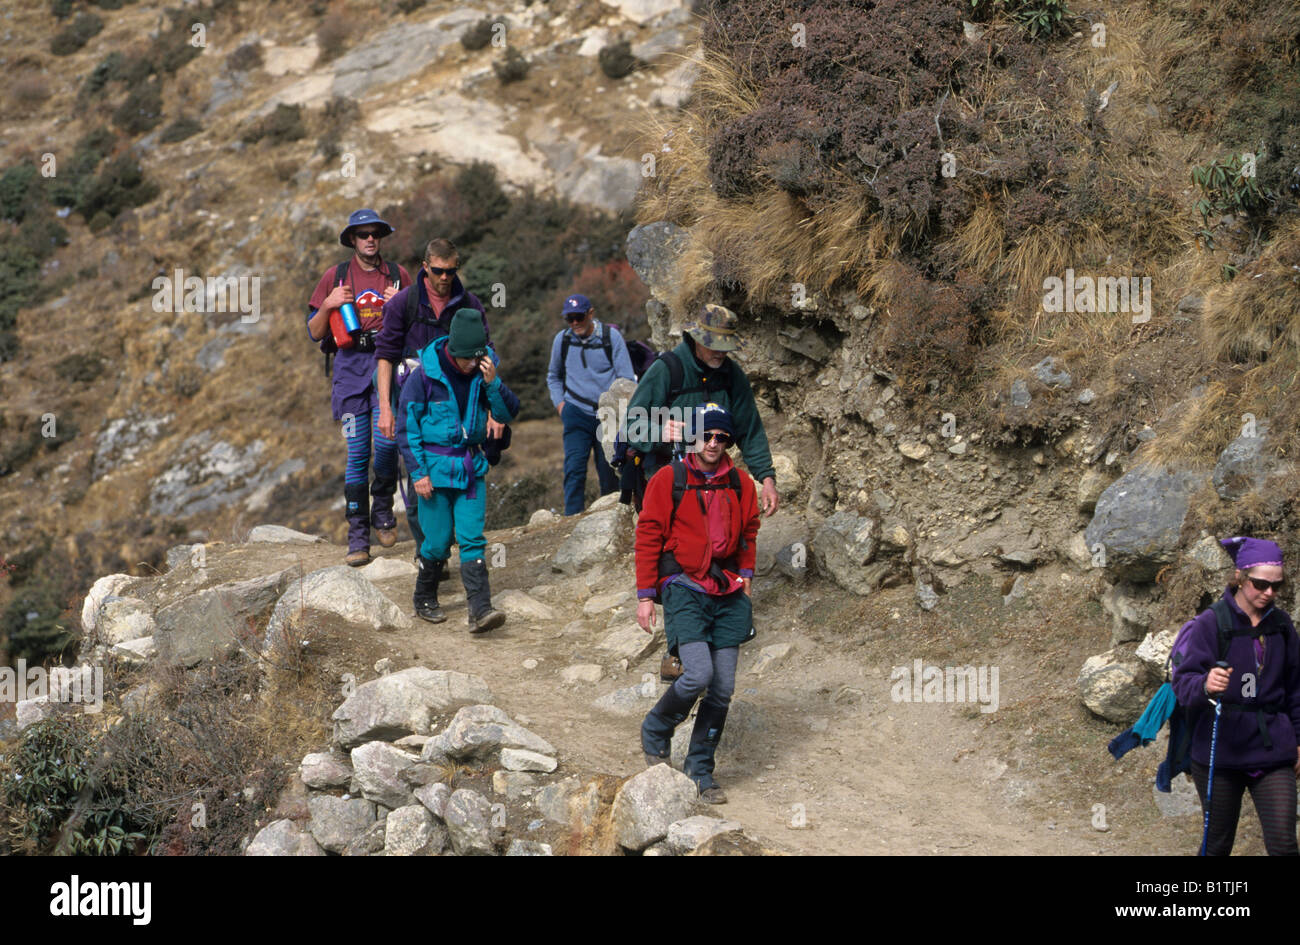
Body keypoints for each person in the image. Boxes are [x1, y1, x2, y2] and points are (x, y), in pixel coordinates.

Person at [635, 404, 760, 803]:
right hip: (684, 587)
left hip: (727, 590)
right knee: (698, 674)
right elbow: (648, 535)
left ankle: (700, 770)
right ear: (694, 438)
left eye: (721, 438)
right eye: (707, 436)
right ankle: (657, 727)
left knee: (723, 687)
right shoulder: (668, 479)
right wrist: (645, 595)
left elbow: (750, 532)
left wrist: (748, 576)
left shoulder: (740, 483)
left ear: (729, 442)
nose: (713, 443)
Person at [1170, 536, 1300, 855]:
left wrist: (1298, 739)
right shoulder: (1210, 623)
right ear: (1239, 577)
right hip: (1219, 753)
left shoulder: (1281, 625)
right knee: (1217, 845)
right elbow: (1182, 683)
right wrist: (1205, 684)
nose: (1269, 593)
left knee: (1284, 844)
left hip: (1273, 750)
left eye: (1276, 586)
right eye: (1260, 584)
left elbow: (1296, 687)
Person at [374, 238, 501, 563]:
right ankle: (428, 554)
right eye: (439, 271)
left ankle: (455, 548)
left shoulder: (469, 305)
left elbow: (487, 353)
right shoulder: (403, 303)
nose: (445, 277)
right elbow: (385, 357)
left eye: (451, 271)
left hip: (462, 406)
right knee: (420, 477)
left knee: (465, 475)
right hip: (414, 402)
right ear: (426, 267)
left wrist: (494, 409)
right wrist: (386, 408)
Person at [396, 309, 515, 632]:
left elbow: (507, 413)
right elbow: (407, 429)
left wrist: (493, 385)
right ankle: (424, 598)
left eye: (478, 359)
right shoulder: (423, 377)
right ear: (453, 351)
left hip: (470, 467)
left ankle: (480, 609)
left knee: (472, 538)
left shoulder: (483, 372)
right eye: (468, 360)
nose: (473, 365)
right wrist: (417, 473)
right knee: (435, 541)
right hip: (433, 472)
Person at [306, 209, 412, 566]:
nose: (370, 239)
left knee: (386, 446)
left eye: (375, 234)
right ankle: (358, 538)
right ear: (352, 239)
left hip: (390, 371)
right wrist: (329, 304)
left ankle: (383, 505)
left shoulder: (399, 275)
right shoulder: (334, 277)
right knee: (357, 455)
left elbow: (418, 328)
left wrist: (400, 306)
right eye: (363, 234)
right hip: (350, 374)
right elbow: (315, 332)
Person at [623, 303, 779, 517]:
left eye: (725, 346)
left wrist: (767, 479)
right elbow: (631, 425)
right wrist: (660, 432)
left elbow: (749, 430)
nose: (721, 353)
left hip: (713, 472)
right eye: (714, 345)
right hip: (665, 473)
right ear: (696, 339)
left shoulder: (732, 375)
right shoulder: (666, 370)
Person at [546, 293, 636, 515]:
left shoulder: (611, 337)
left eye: (579, 317)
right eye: (570, 319)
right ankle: (571, 517)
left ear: (590, 313)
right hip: (575, 411)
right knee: (574, 468)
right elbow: (553, 376)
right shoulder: (562, 340)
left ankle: (611, 515)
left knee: (608, 470)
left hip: (607, 415)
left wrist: (621, 414)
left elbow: (625, 379)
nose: (575, 323)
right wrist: (561, 406)